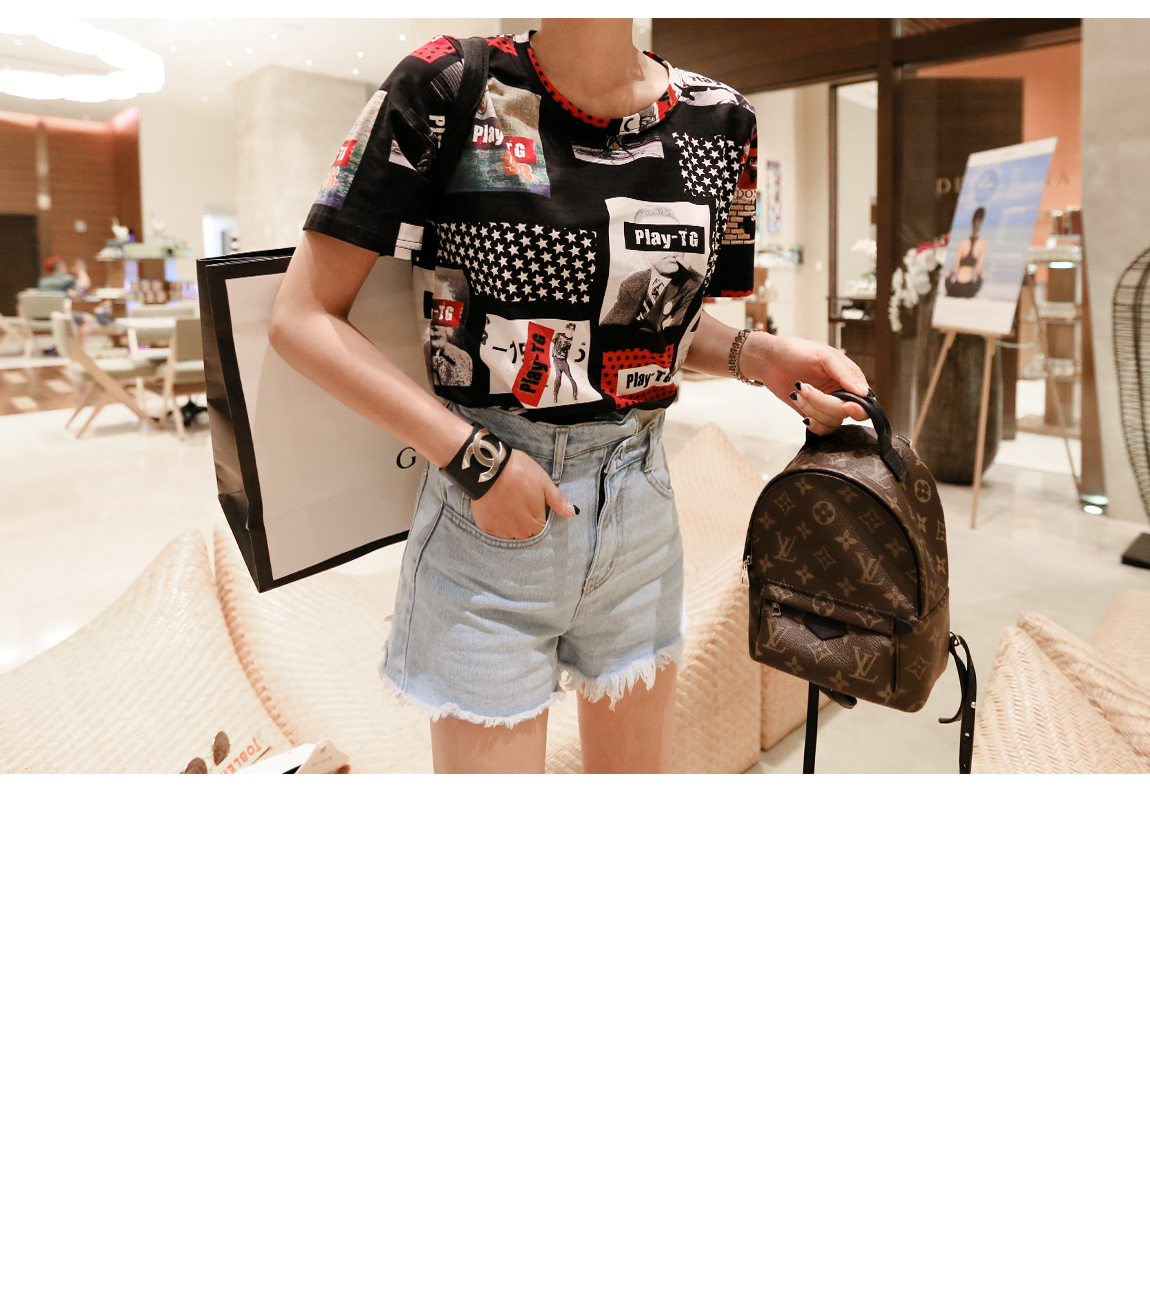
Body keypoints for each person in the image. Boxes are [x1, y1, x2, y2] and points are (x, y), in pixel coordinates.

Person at [270, 19, 867, 774]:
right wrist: (477, 462)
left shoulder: (721, 122)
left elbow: (648, 323)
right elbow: (302, 317)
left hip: (642, 507)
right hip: (489, 511)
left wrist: (760, 354)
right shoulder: (448, 84)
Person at [944, 207, 987, 298]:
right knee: (982, 278)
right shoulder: (982, 244)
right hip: (968, 289)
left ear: (972, 222)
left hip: (955, 288)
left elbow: (955, 269)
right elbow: (978, 271)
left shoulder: (963, 243)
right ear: (982, 222)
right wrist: (982, 277)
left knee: (947, 278)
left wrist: (948, 276)